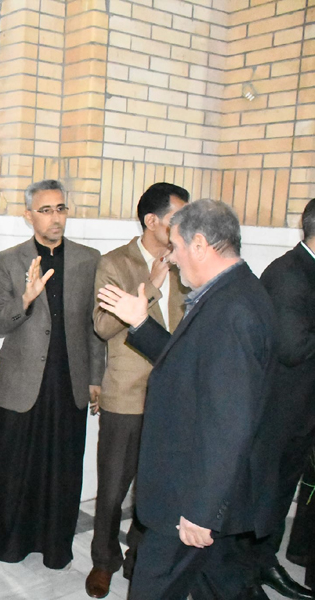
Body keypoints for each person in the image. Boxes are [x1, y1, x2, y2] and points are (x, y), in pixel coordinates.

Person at [97, 199, 277, 600]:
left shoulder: (234, 311)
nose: (172, 258)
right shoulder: (231, 293)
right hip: (206, 490)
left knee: (153, 589)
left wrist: (201, 511)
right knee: (223, 585)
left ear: (200, 245)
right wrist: (141, 323)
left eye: (176, 246)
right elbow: (189, 366)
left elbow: (229, 422)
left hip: (191, 498)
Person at [0, 179, 105, 569]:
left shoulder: (89, 259)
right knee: (14, 469)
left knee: (63, 472)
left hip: (69, 382)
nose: (56, 218)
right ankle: (9, 545)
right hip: (21, 383)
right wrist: (26, 298)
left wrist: (96, 378)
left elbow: (94, 326)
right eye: (46, 210)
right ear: (28, 215)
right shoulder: (9, 259)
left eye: (61, 209)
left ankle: (56, 549)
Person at [85, 183, 189, 597]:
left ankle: (139, 556)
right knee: (112, 488)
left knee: (156, 488)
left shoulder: (186, 260)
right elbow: (103, 326)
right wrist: (151, 285)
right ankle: (103, 561)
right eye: (176, 219)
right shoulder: (115, 263)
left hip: (173, 396)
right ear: (151, 221)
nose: (184, 226)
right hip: (127, 394)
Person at [250, 197, 315, 599]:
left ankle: (264, 562)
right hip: (280, 413)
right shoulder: (290, 273)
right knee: (266, 498)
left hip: (300, 412)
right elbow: (292, 347)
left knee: (279, 495)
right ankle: (250, 570)